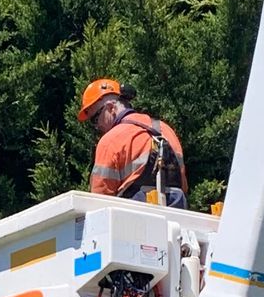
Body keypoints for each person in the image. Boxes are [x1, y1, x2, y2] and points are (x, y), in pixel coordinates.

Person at [77, 78, 188, 207]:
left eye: (95, 119)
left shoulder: (110, 141)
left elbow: (99, 201)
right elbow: (183, 185)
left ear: (111, 108)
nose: (97, 126)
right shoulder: (166, 130)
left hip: (134, 221)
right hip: (176, 218)